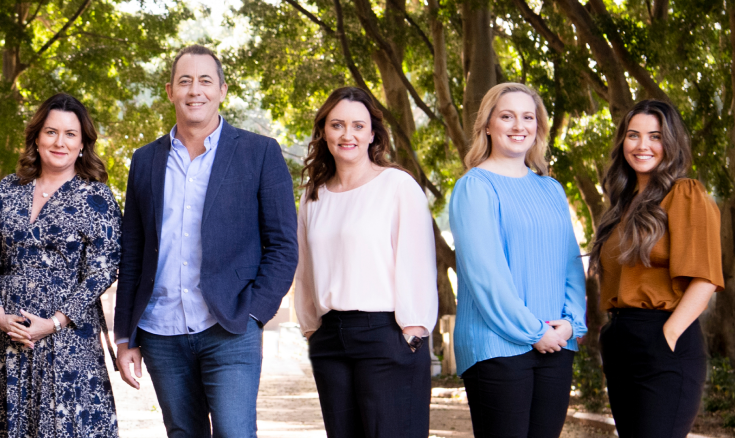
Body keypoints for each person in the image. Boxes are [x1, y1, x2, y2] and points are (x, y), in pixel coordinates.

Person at [113, 44, 299, 438]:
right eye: (184, 81)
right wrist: (125, 334)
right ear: (170, 91)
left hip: (229, 327)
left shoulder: (259, 152)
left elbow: (283, 245)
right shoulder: (145, 160)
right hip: (160, 331)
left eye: (204, 81)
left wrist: (253, 314)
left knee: (235, 433)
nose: (194, 90)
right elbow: (133, 253)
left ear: (222, 90)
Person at [0, 93, 122, 437]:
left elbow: (103, 270)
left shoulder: (97, 197)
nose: (60, 142)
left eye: (70, 134)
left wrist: (54, 322)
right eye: (51, 132)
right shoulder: (8, 189)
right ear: (36, 137)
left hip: (68, 341)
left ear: (83, 143)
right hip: (11, 336)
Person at [292, 86, 439, 438]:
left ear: (372, 133)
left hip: (388, 335)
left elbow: (417, 262)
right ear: (324, 132)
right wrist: (312, 329)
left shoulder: (397, 185)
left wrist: (414, 331)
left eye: (358, 126)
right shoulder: (312, 197)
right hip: (330, 339)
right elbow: (306, 270)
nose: (348, 134)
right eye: (337, 125)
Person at [448, 83, 588, 438]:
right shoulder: (474, 187)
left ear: (538, 127)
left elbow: (570, 263)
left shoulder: (551, 189)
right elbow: (486, 275)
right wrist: (534, 331)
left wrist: (572, 324)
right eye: (506, 116)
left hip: (557, 342)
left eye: (528, 117)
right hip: (496, 346)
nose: (518, 125)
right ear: (487, 125)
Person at [591, 100, 721, 437]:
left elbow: (704, 280)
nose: (642, 145)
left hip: (664, 340)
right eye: (633, 135)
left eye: (655, 136)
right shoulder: (620, 205)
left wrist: (668, 337)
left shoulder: (685, 194)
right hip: (621, 341)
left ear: (671, 143)